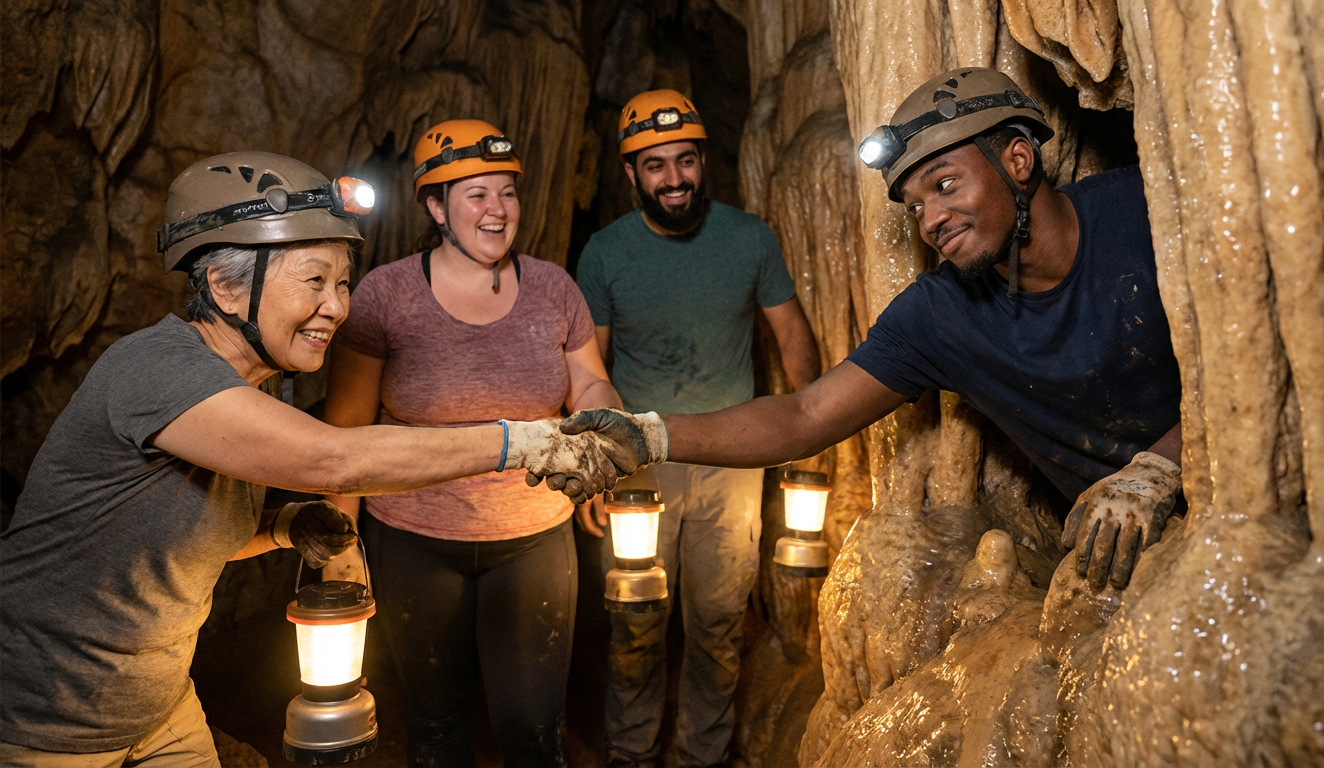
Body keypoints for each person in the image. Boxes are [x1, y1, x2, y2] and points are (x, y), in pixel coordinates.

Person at [0, 151, 616, 767]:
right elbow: (336, 459)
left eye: (343, 282)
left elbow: (171, 537)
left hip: (159, 708)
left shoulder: (252, 384)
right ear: (225, 286)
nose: (339, 306)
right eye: (314, 281)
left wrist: (281, 528)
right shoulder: (158, 368)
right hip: (46, 720)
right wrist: (529, 441)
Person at [562, 68, 1185, 596]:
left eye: (944, 184)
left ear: (1018, 160)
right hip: (1128, 561)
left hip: (1239, 492)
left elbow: (1257, 354)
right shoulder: (941, 314)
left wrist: (1158, 467)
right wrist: (646, 437)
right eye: (914, 206)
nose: (931, 220)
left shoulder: (1148, 212)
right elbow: (805, 415)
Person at [320, 119, 620, 767]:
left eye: (507, 193)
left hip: (534, 533)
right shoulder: (386, 296)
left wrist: (602, 426)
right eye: (476, 194)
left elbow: (591, 381)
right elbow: (345, 432)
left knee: (534, 728)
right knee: (437, 723)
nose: (497, 210)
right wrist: (339, 547)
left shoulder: (552, 289)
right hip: (412, 538)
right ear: (436, 207)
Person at [574, 89, 822, 767]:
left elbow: (793, 340)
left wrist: (817, 437)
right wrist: (593, 464)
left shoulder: (749, 239)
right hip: (638, 465)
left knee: (718, 622)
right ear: (630, 174)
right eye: (655, 166)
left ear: (703, 160)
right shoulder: (604, 254)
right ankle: (632, 755)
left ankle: (703, 757)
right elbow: (584, 366)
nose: (674, 179)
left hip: (734, 460)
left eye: (685, 161)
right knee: (634, 621)